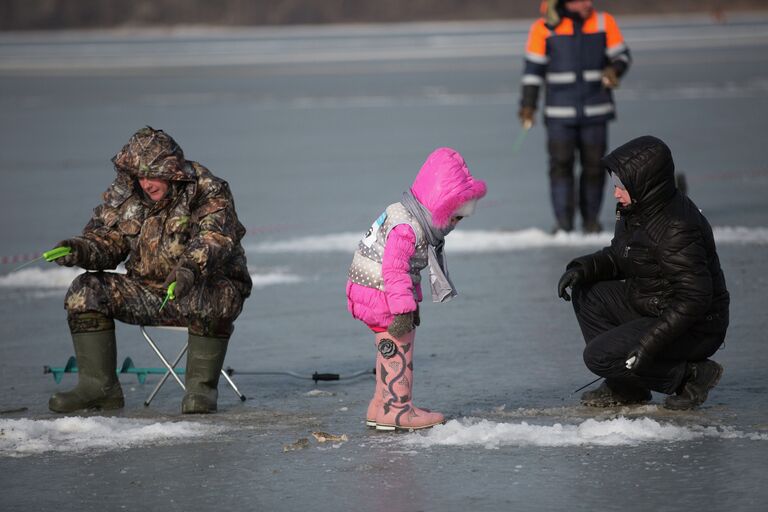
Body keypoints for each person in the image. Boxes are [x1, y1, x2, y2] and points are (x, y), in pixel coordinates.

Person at [48, 126, 252, 414]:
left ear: (172, 171)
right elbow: (109, 241)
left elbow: (215, 239)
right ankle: (99, 388)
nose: (146, 184)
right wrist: (80, 249)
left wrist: (188, 269)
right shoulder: (126, 195)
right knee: (86, 290)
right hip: (147, 292)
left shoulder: (207, 189)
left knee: (216, 291)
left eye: (153, 175)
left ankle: (200, 390)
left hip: (198, 290)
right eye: (140, 176)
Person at [557, 136, 729, 410]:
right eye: (615, 186)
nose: (616, 193)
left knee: (599, 357)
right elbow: (621, 255)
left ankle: (691, 377)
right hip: (652, 303)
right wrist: (583, 267)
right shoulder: (637, 209)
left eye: (621, 187)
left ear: (645, 183)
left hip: (695, 327)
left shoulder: (675, 227)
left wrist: (647, 344)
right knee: (588, 292)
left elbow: (694, 299)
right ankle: (627, 385)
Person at [346, 148, 487, 431]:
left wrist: (410, 304)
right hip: (379, 292)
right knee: (399, 342)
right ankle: (397, 409)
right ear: (439, 205)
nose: (456, 226)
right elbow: (395, 271)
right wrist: (404, 310)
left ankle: (380, 405)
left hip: (368, 289)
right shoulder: (408, 228)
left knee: (386, 344)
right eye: (455, 217)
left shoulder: (405, 213)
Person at [518, 0, 631, 233]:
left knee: (595, 167)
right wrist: (528, 106)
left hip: (596, 111)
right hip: (559, 115)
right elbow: (533, 72)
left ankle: (591, 222)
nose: (587, 3)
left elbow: (622, 56)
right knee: (560, 167)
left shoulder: (603, 22)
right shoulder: (543, 28)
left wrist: (614, 70)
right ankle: (564, 224)